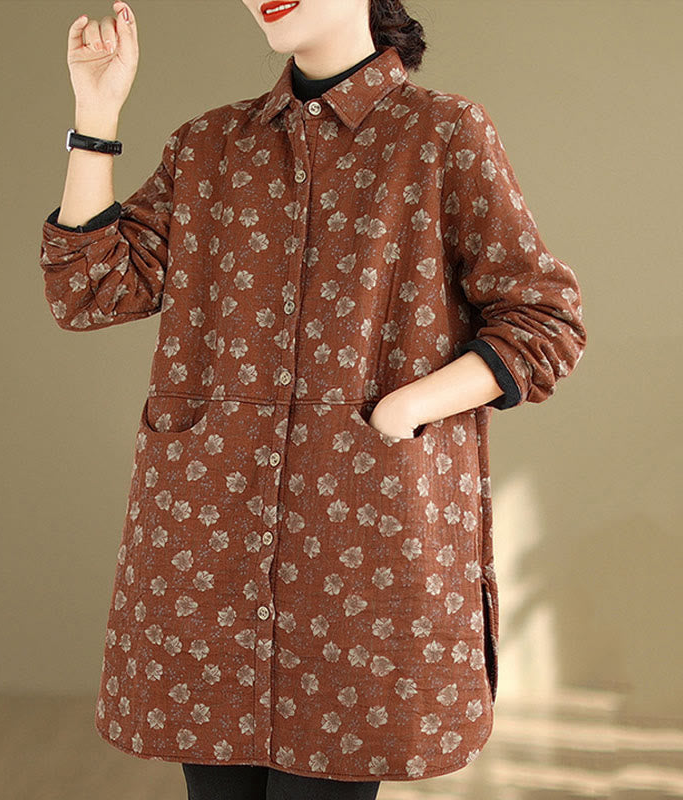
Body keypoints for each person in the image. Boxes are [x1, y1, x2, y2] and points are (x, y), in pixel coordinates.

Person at [38, 1, 587, 798]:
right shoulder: (209, 145)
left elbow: (544, 322)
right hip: (207, 549)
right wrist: (95, 115)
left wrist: (405, 409)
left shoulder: (442, 134)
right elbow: (90, 290)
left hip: (362, 550)